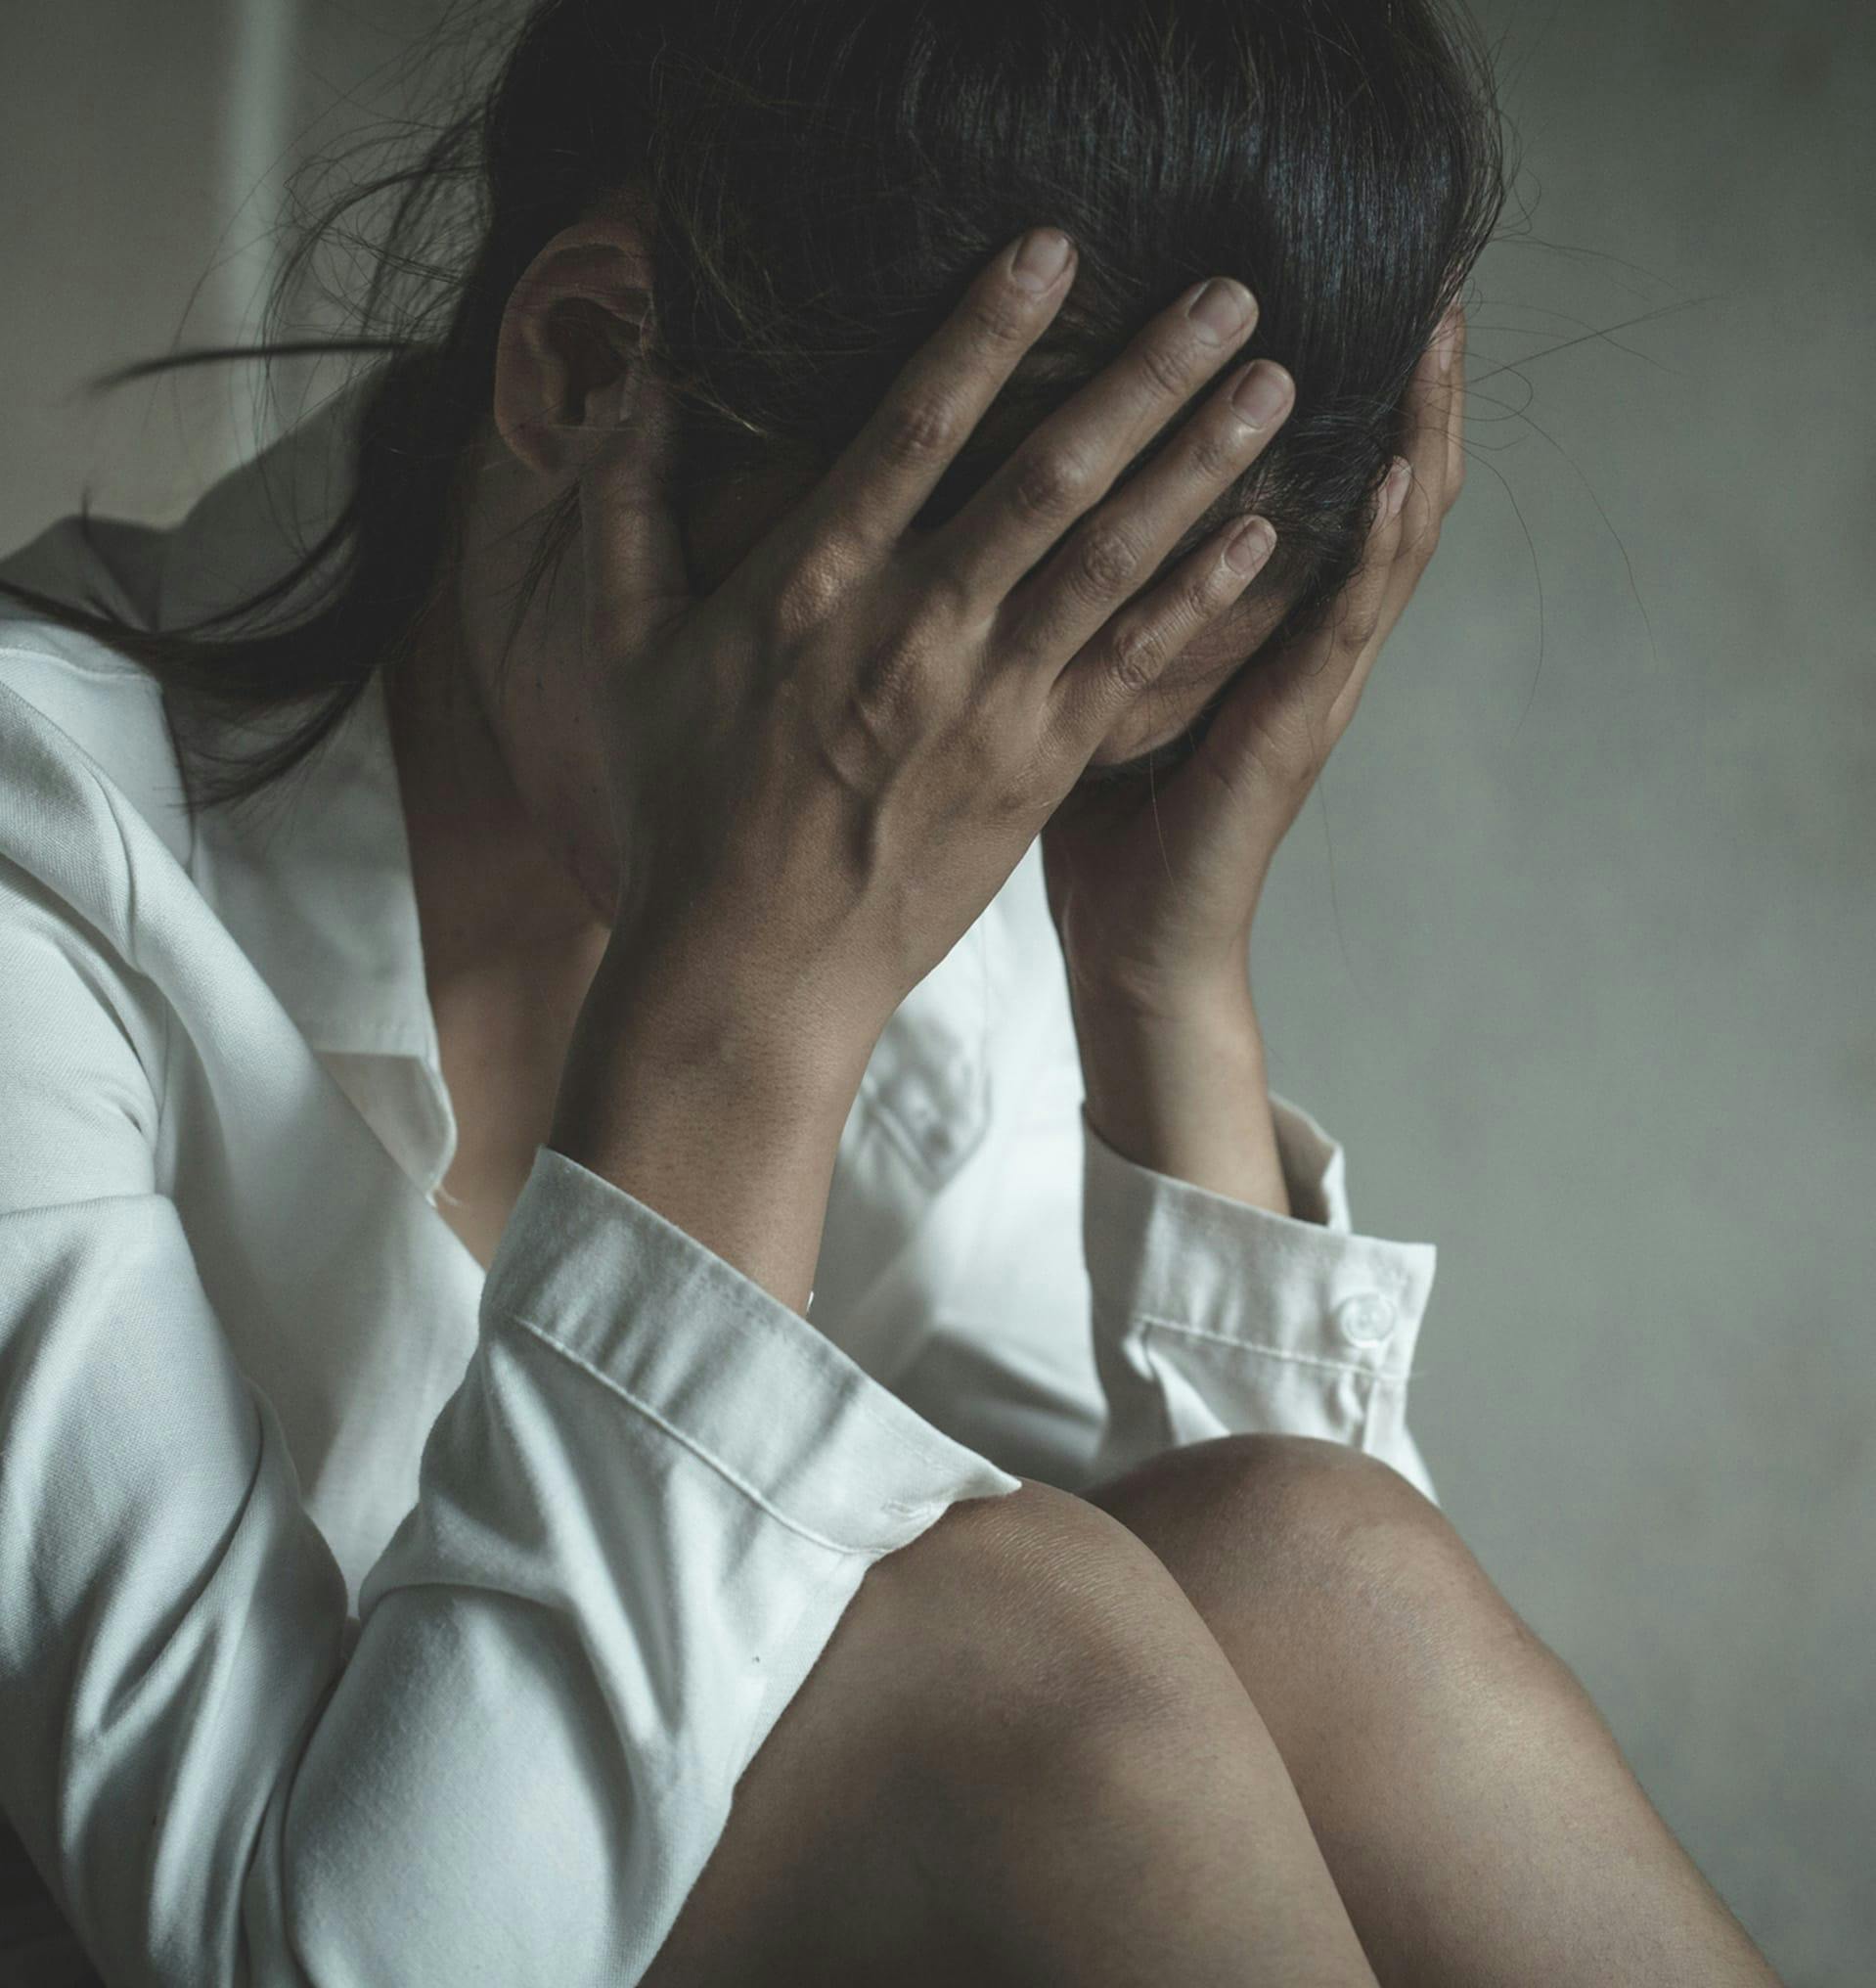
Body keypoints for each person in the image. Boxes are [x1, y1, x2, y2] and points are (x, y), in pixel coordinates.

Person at [0, 1, 1784, 1983]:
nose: (980, 827)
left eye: (1084, 752)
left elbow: (1306, 1697)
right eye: (974, 694)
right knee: (1020, 1653)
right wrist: (730, 1022)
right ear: (586, 362)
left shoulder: (943, 811)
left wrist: (1155, 975)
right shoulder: (45, 871)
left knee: (1313, 1562)